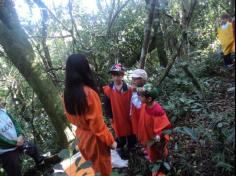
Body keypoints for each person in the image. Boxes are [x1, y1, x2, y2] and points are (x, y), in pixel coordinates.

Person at [63, 53, 117, 176]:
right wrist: (111, 141)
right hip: (95, 141)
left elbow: (70, 118)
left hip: (81, 138)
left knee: (90, 169)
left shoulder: (66, 94)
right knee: (102, 171)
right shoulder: (89, 94)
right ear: (84, 68)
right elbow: (97, 126)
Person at [0, 101, 44, 176]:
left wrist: (20, 134)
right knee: (13, 166)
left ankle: (42, 166)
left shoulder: (3, 112)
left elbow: (15, 123)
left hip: (18, 141)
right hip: (6, 150)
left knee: (32, 148)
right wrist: (14, 143)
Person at [137, 83, 171, 176]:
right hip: (148, 135)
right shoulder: (145, 105)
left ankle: (158, 170)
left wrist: (156, 138)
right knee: (150, 151)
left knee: (157, 155)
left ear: (149, 99)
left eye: (142, 96)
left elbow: (165, 127)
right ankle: (152, 157)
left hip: (155, 141)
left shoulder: (157, 111)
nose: (140, 97)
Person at [103, 63, 136, 154]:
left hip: (128, 116)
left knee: (131, 132)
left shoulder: (129, 89)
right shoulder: (108, 90)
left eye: (118, 75)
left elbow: (134, 102)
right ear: (112, 76)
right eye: (114, 75)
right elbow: (106, 105)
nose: (116, 77)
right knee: (119, 133)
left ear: (122, 75)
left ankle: (131, 147)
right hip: (116, 116)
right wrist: (110, 116)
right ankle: (120, 147)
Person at [130, 69, 148, 137]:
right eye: (132, 78)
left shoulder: (145, 90)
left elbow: (140, 105)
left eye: (136, 78)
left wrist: (134, 92)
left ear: (143, 79)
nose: (133, 80)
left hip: (143, 118)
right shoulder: (137, 88)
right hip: (136, 116)